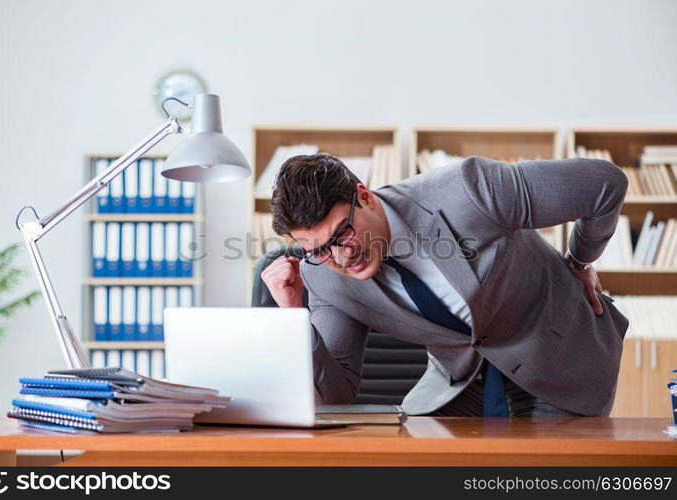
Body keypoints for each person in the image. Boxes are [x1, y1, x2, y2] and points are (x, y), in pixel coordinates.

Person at [261, 153, 629, 417]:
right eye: (319, 250)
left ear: (364, 196)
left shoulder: (467, 190)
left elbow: (604, 185)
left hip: (560, 361)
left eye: (342, 233)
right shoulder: (324, 277)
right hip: (460, 384)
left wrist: (580, 259)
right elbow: (335, 397)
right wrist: (294, 317)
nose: (340, 257)